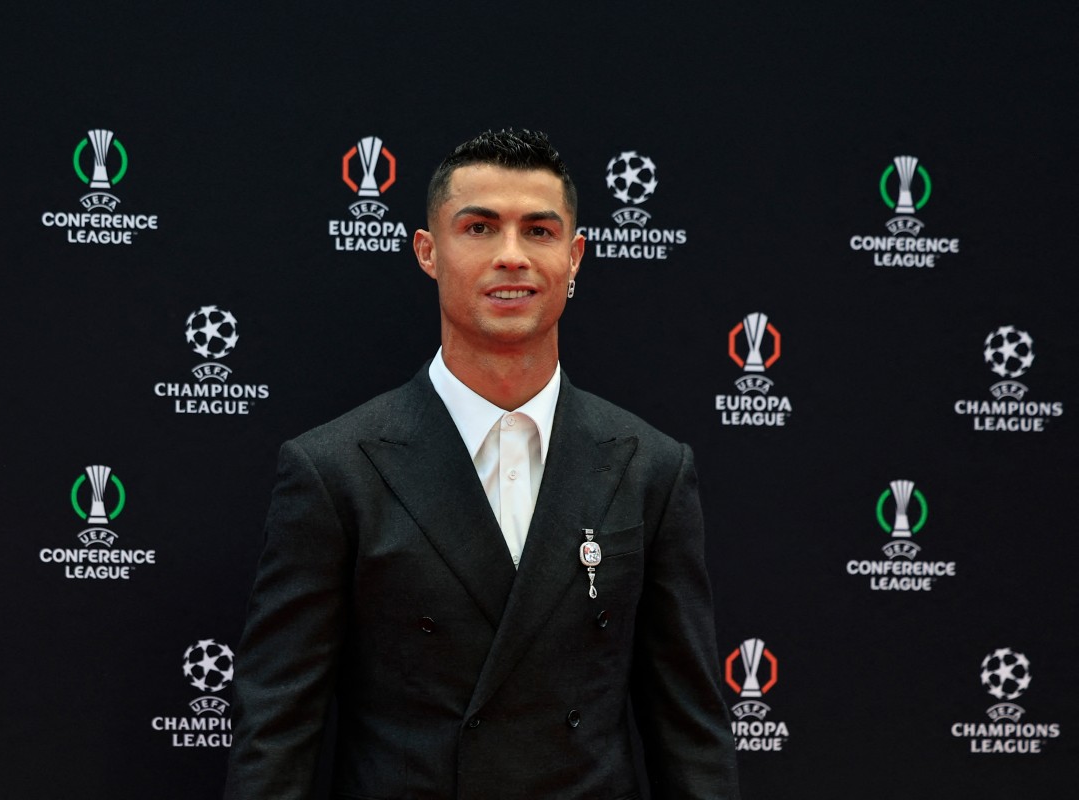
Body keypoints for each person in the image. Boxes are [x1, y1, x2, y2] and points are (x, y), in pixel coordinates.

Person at [225, 129, 739, 799]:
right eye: (479, 228)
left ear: (575, 257)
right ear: (428, 252)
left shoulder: (652, 469)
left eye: (539, 231)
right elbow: (276, 733)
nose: (511, 256)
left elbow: (690, 732)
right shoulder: (334, 470)